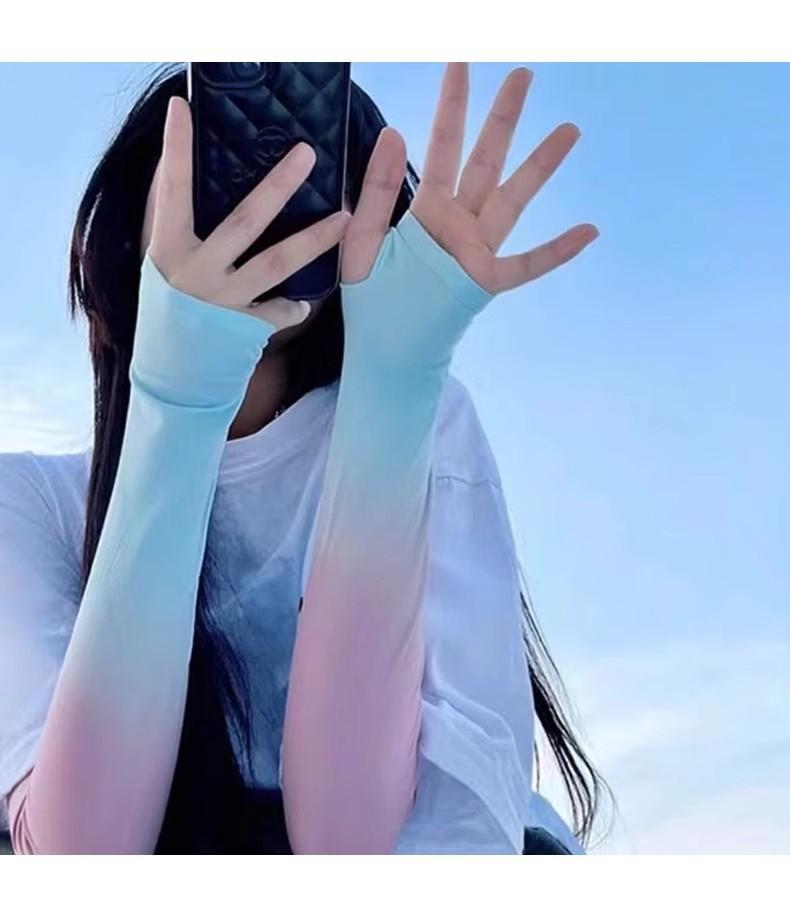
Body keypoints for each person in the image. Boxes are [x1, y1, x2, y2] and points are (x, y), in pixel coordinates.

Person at [0, 62, 610, 854]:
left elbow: (351, 842)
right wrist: (179, 399)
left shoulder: (430, 421)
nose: (266, 191)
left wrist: (395, 380)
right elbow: (78, 853)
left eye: (304, 165)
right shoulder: (29, 502)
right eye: (222, 157)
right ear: (121, 231)